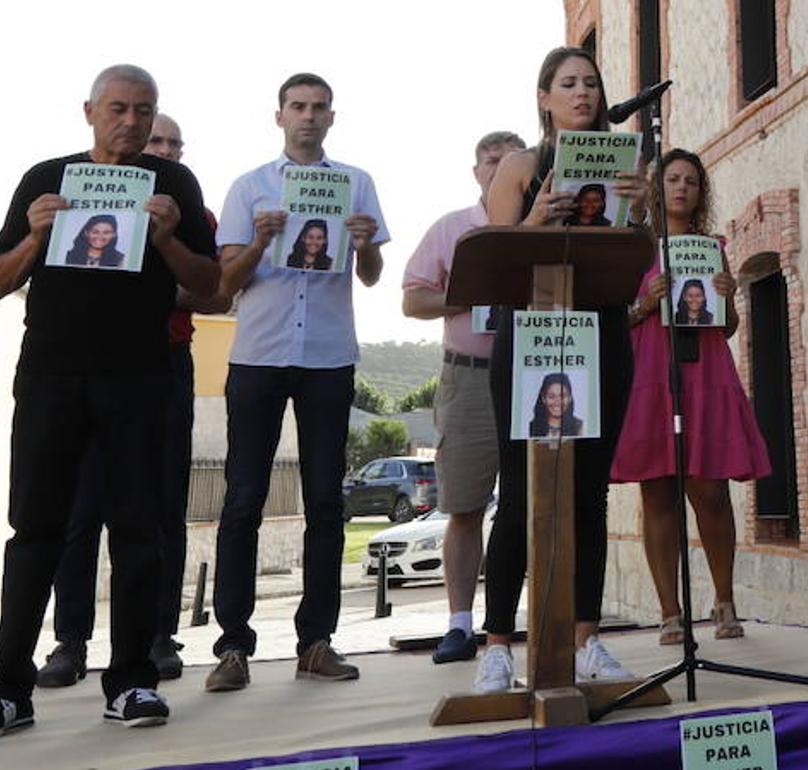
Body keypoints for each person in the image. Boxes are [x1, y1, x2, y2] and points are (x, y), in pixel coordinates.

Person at [0, 65, 220, 740]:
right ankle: (8, 688)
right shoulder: (47, 177)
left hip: (138, 379)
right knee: (35, 531)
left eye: (144, 111)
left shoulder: (175, 184)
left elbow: (213, 287)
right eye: (119, 108)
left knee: (137, 533)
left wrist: (166, 238)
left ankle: (131, 682)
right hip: (51, 377)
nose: (132, 122)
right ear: (90, 111)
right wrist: (38, 237)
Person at [205, 72, 388, 692]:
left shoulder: (355, 183)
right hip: (258, 353)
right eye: (298, 107)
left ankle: (316, 641)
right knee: (242, 498)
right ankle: (233, 646)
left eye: (319, 108)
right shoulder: (248, 187)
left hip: (329, 356)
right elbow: (225, 283)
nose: (308, 117)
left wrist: (365, 246)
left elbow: (370, 276)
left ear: (332, 118)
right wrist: (260, 239)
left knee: (327, 502)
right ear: (279, 116)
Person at [473, 47, 647, 693]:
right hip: (532, 333)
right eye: (569, 84)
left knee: (589, 493)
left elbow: (639, 260)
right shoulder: (522, 165)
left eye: (593, 84)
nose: (583, 93)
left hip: (601, 327)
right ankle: (497, 646)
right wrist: (536, 220)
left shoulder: (625, 162)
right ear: (544, 97)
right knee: (519, 492)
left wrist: (643, 209)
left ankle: (587, 641)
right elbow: (495, 256)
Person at [36, 112, 228, 690]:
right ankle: (70, 642)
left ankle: (156, 636)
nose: (162, 149)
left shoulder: (193, 213)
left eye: (174, 143)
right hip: (88, 367)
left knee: (161, 506)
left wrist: (148, 274)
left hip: (164, 364)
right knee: (79, 511)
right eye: (156, 140)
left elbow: (211, 291)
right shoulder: (78, 197)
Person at [611, 149, 770, 645]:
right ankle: (669, 613)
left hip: (703, 373)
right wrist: (644, 303)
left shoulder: (711, 247)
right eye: (673, 179)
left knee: (710, 491)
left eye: (692, 182)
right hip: (648, 373)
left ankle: (724, 602)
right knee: (656, 491)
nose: (681, 188)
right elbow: (613, 316)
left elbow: (726, 327)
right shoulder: (633, 247)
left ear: (700, 195)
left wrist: (727, 295)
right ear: (657, 189)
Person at [402, 130, 526, 664]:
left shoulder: (540, 227)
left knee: (533, 508)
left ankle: (535, 618)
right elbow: (412, 299)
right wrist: (464, 294)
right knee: (465, 506)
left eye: (509, 162)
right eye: (490, 162)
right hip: (471, 375)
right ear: (476, 172)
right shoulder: (453, 229)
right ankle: (459, 625)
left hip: (533, 374)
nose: (499, 170)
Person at [527, 372, 584, 438]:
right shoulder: (532, 427)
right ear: (543, 398)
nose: (557, 402)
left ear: (570, 398)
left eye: (562, 396)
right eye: (551, 396)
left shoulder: (580, 427)